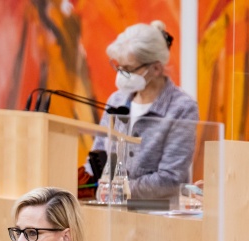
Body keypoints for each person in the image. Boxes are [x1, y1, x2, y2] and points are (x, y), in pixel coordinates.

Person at [84, 21, 199, 200]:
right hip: (111, 214)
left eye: (128, 69)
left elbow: (170, 179)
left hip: (158, 216)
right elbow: (96, 159)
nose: (121, 74)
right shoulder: (116, 100)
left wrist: (120, 190)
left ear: (156, 68)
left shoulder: (182, 108)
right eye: (119, 67)